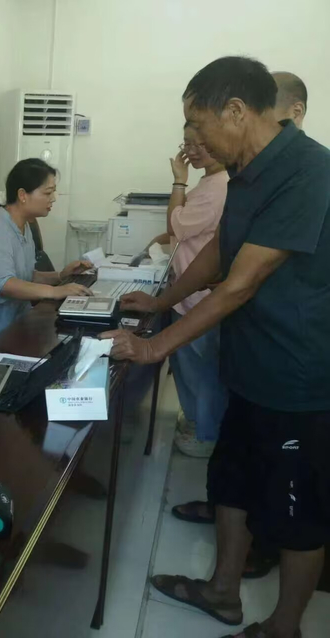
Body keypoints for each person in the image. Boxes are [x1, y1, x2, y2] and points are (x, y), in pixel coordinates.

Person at [105, 56, 330, 638]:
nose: (195, 140)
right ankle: (223, 592)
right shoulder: (245, 171)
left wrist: (154, 349)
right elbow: (218, 254)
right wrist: (162, 302)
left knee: (298, 511)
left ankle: (284, 627)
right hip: (248, 365)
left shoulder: (309, 171)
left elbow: (241, 282)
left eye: (199, 124)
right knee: (231, 482)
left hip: (296, 378)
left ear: (235, 110)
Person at [146, 125, 229, 459]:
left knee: (201, 370)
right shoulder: (210, 181)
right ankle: (198, 421)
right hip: (187, 294)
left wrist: (179, 181)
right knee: (189, 365)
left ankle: (205, 434)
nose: (192, 151)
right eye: (187, 144)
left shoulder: (219, 186)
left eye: (200, 144)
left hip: (197, 298)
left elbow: (175, 226)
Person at [0, 159, 92, 344]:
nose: (53, 198)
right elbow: (5, 285)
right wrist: (55, 291)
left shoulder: (24, 226)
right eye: (48, 192)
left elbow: (26, 276)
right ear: (22, 195)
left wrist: (60, 275)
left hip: (14, 324)